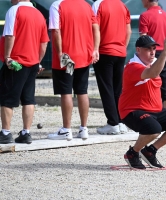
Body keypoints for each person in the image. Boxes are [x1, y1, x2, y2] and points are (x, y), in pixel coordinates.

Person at [119, 35, 166, 169]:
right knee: (154, 130)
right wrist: (165, 51)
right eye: (148, 49)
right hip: (132, 111)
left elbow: (161, 85)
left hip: (155, 110)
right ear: (138, 50)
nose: (152, 52)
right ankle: (132, 153)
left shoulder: (154, 64)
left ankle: (150, 151)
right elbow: (151, 73)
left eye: (154, 48)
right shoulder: (132, 66)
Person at [47, 0, 100, 141]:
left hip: (67, 56)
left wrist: (59, 53)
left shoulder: (57, 5)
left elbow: (56, 31)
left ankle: (66, 129)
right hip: (84, 55)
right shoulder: (86, 5)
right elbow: (95, 27)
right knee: (82, 91)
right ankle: (83, 128)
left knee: (66, 92)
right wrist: (95, 49)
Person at [0, 0, 49, 144]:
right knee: (28, 98)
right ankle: (26, 132)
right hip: (33, 62)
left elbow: (10, 35)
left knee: (7, 99)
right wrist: (38, 61)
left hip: (16, 62)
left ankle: (5, 132)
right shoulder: (39, 14)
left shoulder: (14, 10)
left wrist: (8, 57)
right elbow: (44, 42)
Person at [92, 0, 131, 135]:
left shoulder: (98, 4)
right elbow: (128, 30)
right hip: (120, 52)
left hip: (104, 51)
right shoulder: (122, 5)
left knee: (106, 88)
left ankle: (112, 123)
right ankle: (121, 122)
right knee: (117, 88)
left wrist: (95, 49)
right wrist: (123, 48)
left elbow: (95, 27)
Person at [139, 0, 166, 111]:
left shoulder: (145, 16)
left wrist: (141, 58)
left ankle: (151, 114)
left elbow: (143, 40)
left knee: (149, 87)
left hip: (151, 54)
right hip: (164, 53)